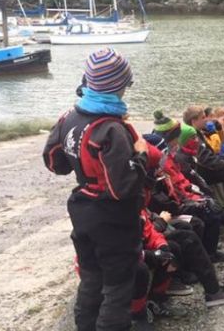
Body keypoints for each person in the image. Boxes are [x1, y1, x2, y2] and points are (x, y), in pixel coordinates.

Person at [43, 48, 146, 331]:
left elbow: (55, 163)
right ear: (119, 86)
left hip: (82, 211)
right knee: (117, 287)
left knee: (91, 279)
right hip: (113, 218)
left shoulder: (68, 117)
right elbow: (122, 188)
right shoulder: (111, 128)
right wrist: (140, 155)